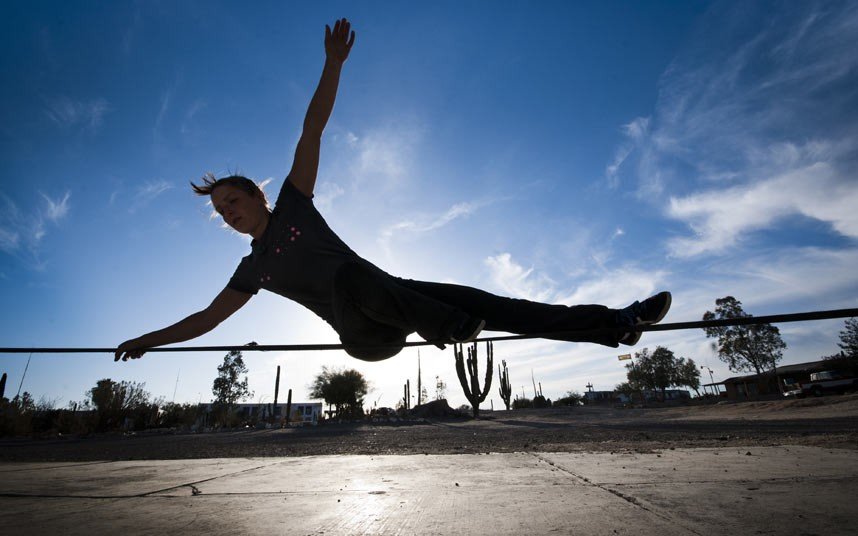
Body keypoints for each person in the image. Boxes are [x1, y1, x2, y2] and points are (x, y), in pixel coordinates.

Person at [115, 18, 671, 363]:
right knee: (351, 275)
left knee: (496, 305)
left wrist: (332, 66)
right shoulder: (251, 270)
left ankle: (617, 323)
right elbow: (206, 320)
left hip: (399, 299)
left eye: (233, 200)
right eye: (220, 212)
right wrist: (150, 338)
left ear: (259, 197)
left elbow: (312, 131)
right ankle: (447, 325)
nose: (229, 213)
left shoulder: (293, 207)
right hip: (366, 336)